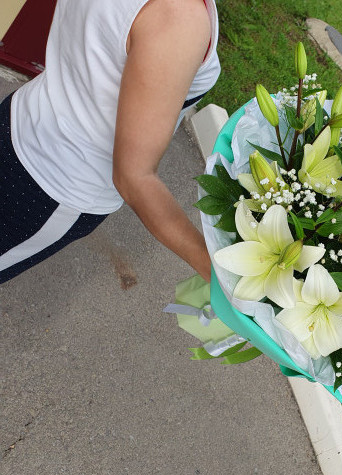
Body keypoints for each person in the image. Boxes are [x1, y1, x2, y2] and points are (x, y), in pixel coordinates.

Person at [0, 0, 221, 285]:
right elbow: (134, 177)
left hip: (19, 116)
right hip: (53, 186)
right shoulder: (179, 18)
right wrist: (222, 276)